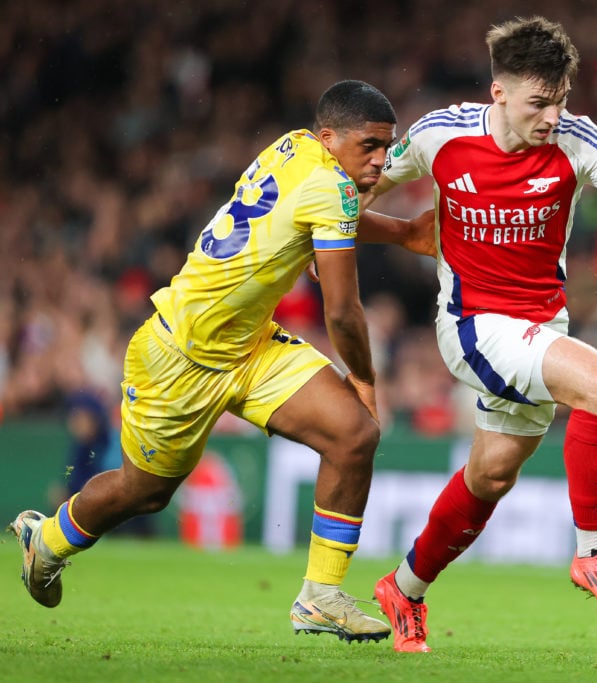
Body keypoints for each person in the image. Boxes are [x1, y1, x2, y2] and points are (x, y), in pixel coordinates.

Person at [363, 17, 597, 653]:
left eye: (561, 99)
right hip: (473, 327)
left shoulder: (577, 139)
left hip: (541, 326)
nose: (551, 116)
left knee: (491, 476)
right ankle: (594, 550)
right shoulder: (438, 138)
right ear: (499, 94)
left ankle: (404, 588)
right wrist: (324, 236)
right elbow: (362, 182)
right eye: (539, 103)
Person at [9, 80, 400, 644]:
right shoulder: (331, 187)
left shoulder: (294, 147)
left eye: (387, 147)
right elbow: (341, 311)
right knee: (144, 492)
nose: (381, 160)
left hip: (249, 347)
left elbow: (321, 213)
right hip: (177, 356)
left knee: (354, 436)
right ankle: (47, 540)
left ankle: (321, 597)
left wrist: (408, 233)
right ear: (330, 137)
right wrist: (364, 378)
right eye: (370, 146)